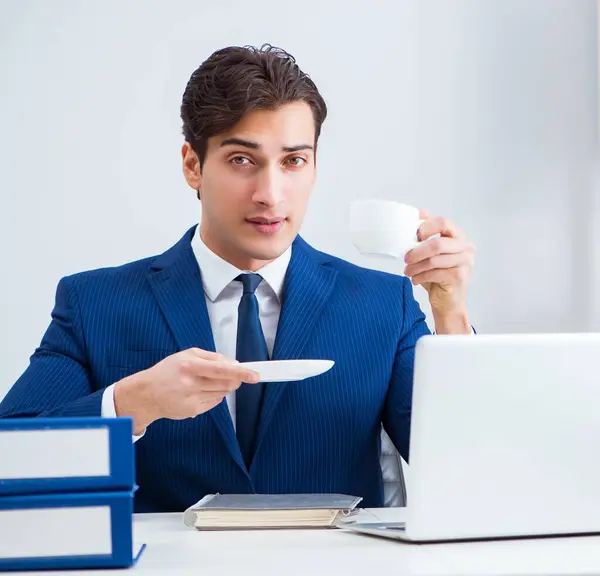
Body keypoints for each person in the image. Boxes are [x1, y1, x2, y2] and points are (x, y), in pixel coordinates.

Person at [0, 44, 475, 512]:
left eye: (293, 161)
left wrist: (451, 315)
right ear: (193, 166)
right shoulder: (95, 304)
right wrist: (133, 401)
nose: (270, 195)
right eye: (242, 160)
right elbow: (11, 459)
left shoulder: (383, 304)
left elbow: (467, 469)